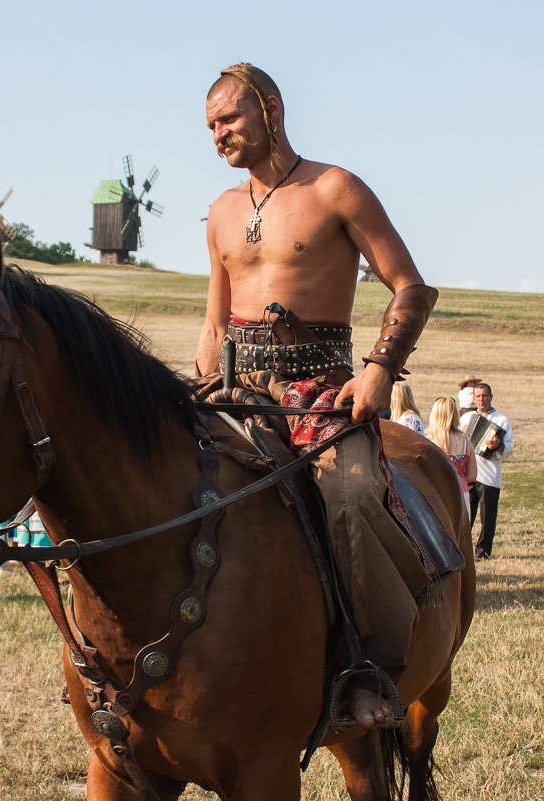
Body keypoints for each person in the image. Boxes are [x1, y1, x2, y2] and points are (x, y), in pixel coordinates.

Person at [196, 63, 439, 729]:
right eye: (210, 126)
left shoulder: (335, 189)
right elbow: (215, 320)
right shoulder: (218, 211)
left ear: (269, 108)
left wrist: (378, 370)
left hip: (323, 392)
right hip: (234, 388)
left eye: (229, 119)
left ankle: (368, 667)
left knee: (350, 492)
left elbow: (409, 287)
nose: (218, 134)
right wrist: (196, 378)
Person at [460, 383, 513, 560]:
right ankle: (463, 549)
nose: (481, 399)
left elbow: (509, 448)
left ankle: (483, 552)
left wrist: (499, 446)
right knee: (466, 514)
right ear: (473, 399)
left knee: (487, 516)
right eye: (478, 396)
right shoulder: (467, 417)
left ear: (491, 397)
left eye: (484, 396)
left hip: (489, 475)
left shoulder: (501, 420)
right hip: (469, 473)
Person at [427, 397, 476, 511]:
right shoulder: (465, 441)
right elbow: (472, 475)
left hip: (437, 493)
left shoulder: (429, 441)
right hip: (460, 492)